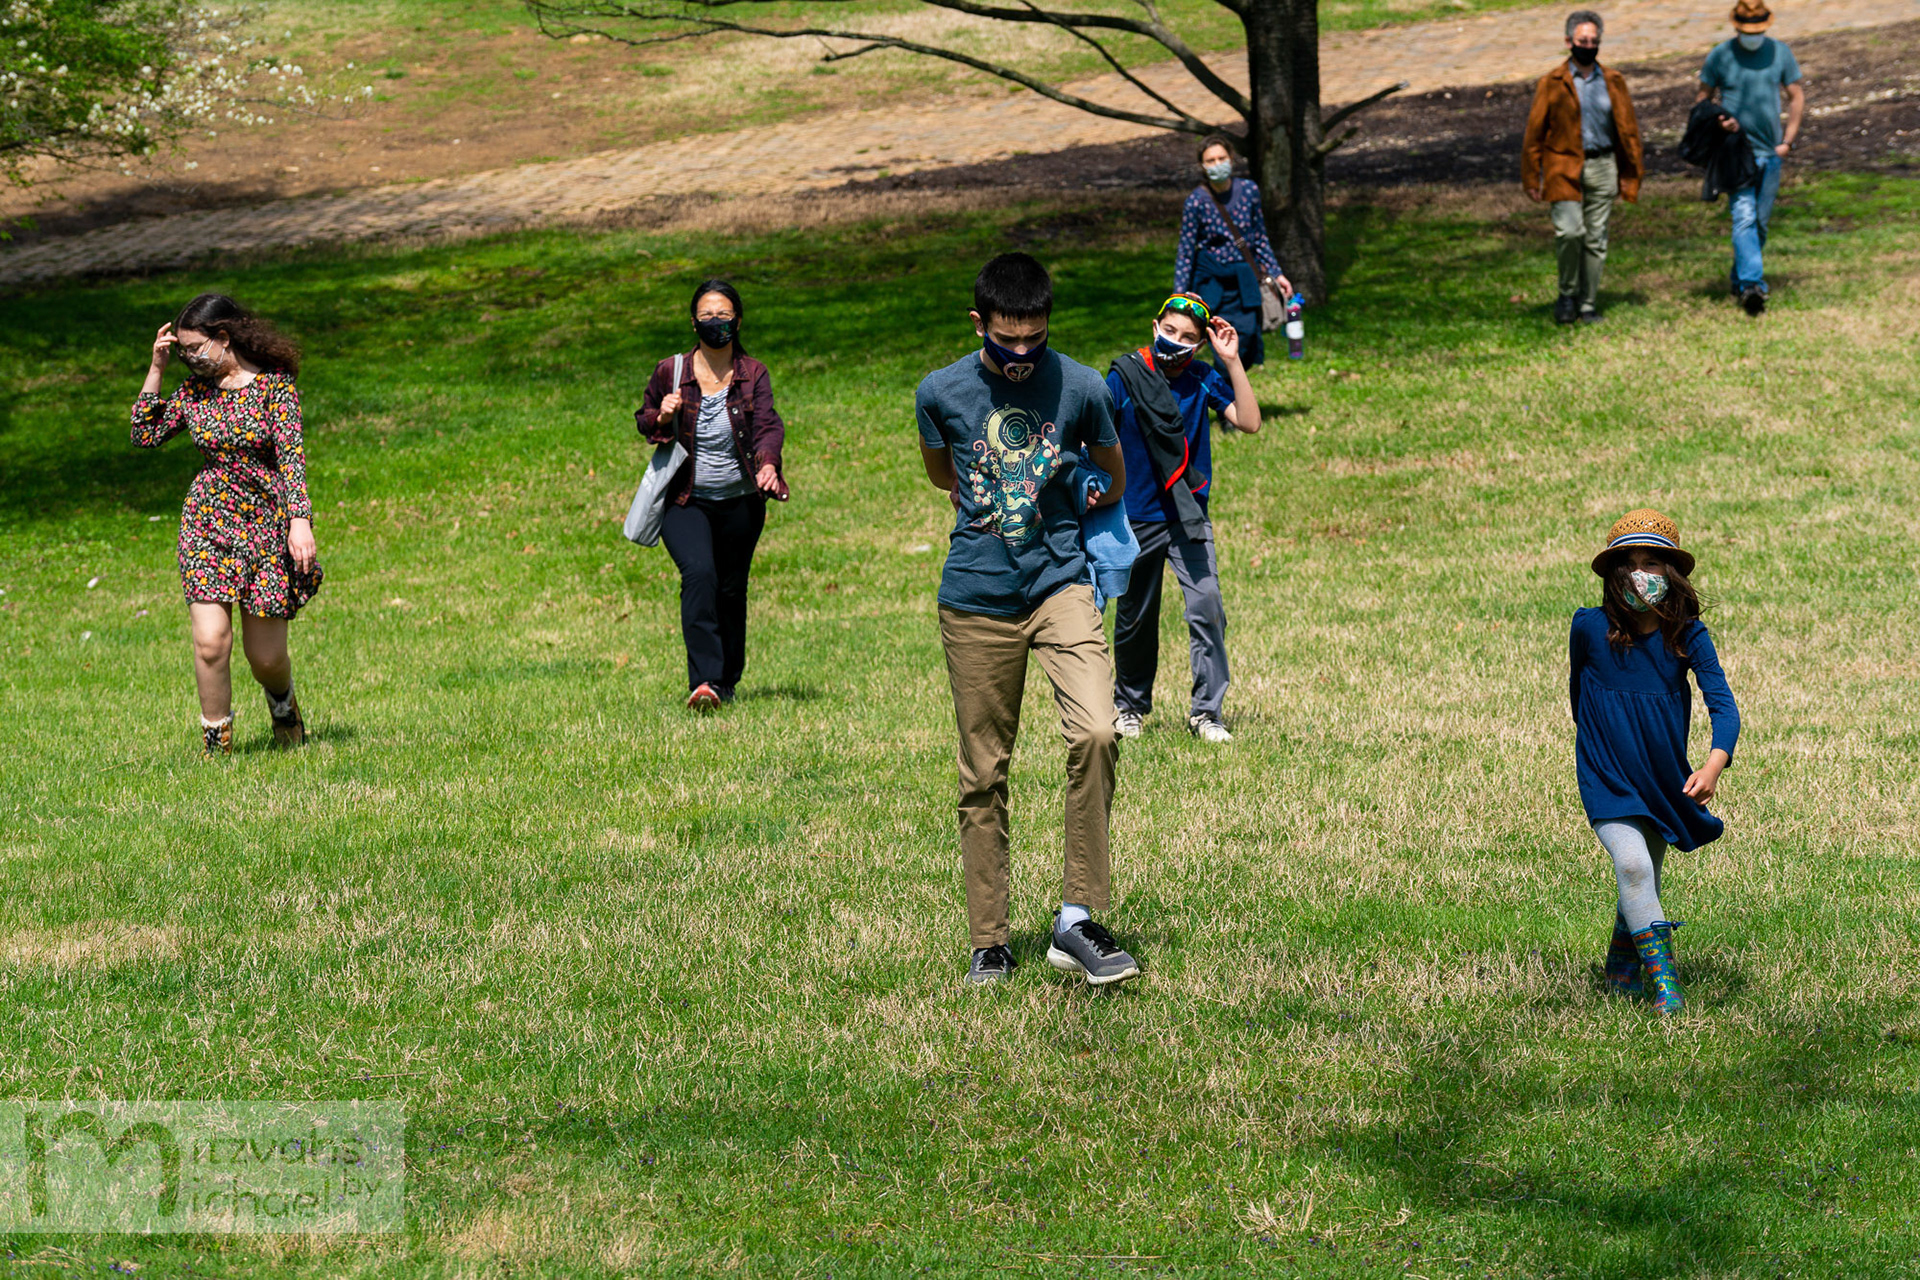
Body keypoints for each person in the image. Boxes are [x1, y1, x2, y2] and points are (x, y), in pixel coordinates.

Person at [915, 252, 1140, 988]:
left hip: (1061, 586)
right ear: (978, 323)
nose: (1020, 356)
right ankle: (990, 941)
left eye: (1033, 341)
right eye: (1005, 341)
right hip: (975, 598)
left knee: (1099, 730)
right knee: (984, 770)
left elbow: (1112, 474)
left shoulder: (1080, 385)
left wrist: (1070, 493)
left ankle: (1077, 920)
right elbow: (945, 477)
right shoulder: (938, 392)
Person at [130, 294, 320, 756]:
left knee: (266, 657)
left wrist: (300, 521)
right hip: (207, 521)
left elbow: (291, 458)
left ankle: (284, 709)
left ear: (223, 338)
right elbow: (145, 433)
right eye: (183, 352)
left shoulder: (274, 388)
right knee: (211, 642)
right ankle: (217, 746)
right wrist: (156, 368)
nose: (190, 359)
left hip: (265, 523)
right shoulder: (195, 393)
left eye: (196, 348)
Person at [1570, 510, 1741, 1016]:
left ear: (1673, 575)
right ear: (1613, 575)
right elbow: (1578, 697)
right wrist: (1603, 746)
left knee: (1643, 878)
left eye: (1654, 563)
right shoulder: (1587, 627)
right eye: (1631, 563)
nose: (1642, 574)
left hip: (1662, 775)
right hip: (1606, 771)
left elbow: (1724, 706)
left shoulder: (1687, 634)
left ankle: (1621, 971)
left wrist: (1712, 766)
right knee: (1632, 864)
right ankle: (1667, 990)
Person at [1106, 293, 1261, 744]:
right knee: (1135, 616)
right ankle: (1129, 706)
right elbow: (1096, 438)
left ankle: (1206, 712)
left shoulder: (1202, 377)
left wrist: (1231, 361)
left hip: (1188, 514)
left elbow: (1249, 421)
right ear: (1154, 326)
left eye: (1188, 338)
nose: (1175, 342)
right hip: (1135, 517)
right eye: (1170, 331)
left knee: (1207, 606)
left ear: (1199, 344)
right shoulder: (1124, 377)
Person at [636, 279, 790, 711]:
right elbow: (645, 419)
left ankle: (727, 680)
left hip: (741, 502)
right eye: (706, 314)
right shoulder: (672, 371)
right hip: (685, 499)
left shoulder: (752, 373)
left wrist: (767, 464)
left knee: (730, 588)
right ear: (693, 322)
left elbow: (768, 425)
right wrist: (662, 416)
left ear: (738, 320)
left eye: (723, 314)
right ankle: (704, 681)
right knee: (700, 573)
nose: (715, 321)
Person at [1522, 9, 1645, 325]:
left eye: (1594, 40)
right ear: (1568, 42)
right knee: (1570, 231)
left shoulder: (1614, 81)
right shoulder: (1551, 83)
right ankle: (1567, 293)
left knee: (1595, 239)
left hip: (1603, 166)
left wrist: (1631, 173)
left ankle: (1587, 303)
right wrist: (1531, 176)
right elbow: (1534, 133)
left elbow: (1628, 130)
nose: (1588, 46)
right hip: (1563, 167)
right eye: (1582, 40)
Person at [1697, 0, 1805, 315]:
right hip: (1735, 154)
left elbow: (1796, 95)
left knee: (1759, 224)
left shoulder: (1780, 53)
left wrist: (1787, 140)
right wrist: (1719, 121)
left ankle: (1739, 277)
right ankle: (1751, 285)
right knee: (1743, 216)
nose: (1751, 35)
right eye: (1746, 30)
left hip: (1771, 153)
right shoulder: (1720, 55)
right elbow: (1703, 99)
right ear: (1736, 27)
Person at [1173, 134, 1292, 368]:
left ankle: (1232, 394)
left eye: (1222, 158)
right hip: (1211, 283)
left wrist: (1277, 273)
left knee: (1247, 339)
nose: (1217, 164)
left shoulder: (1249, 191)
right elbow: (1186, 251)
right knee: (1221, 342)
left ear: (1231, 159)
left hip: (1245, 281)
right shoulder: (1196, 201)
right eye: (1211, 161)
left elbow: (1259, 237)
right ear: (1202, 166)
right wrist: (1179, 294)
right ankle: (1226, 401)